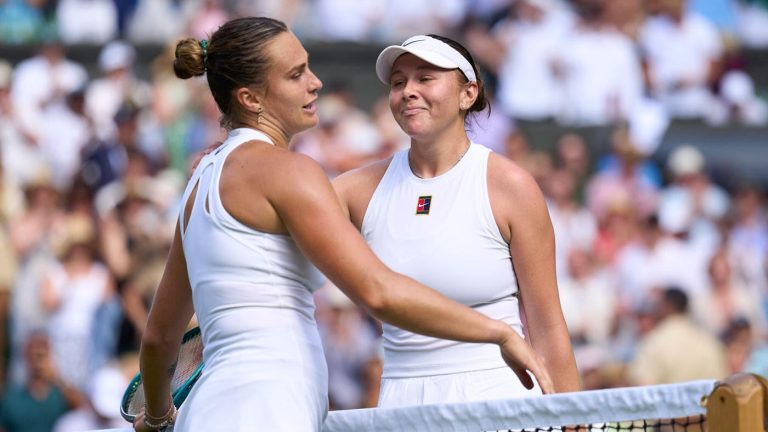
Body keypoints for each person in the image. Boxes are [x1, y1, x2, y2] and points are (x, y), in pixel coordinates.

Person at [134, 17, 554, 432]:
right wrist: (499, 333)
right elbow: (378, 291)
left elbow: (158, 338)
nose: (315, 83)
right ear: (250, 98)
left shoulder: (200, 181)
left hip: (205, 414)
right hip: (270, 411)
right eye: (296, 75)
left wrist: (157, 415)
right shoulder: (291, 173)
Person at [333, 34, 580, 408]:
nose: (408, 91)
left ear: (468, 94)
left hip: (497, 402)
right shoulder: (355, 189)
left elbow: (547, 327)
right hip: (400, 404)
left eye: (425, 78)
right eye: (398, 82)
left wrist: (574, 421)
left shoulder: (511, 186)